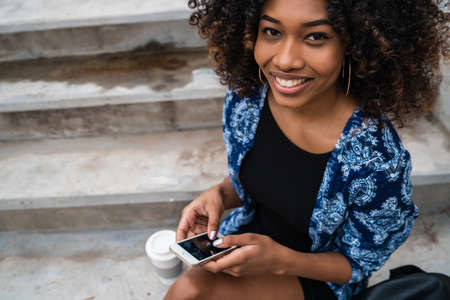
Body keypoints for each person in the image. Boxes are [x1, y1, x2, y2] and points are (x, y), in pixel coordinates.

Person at [164, 0, 449, 299]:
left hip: (314, 274)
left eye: (316, 36)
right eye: (272, 31)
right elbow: (270, 183)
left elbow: (355, 264)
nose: (286, 60)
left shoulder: (376, 162)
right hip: (246, 239)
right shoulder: (247, 100)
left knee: (190, 290)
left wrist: (278, 261)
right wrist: (220, 196)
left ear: (355, 44)